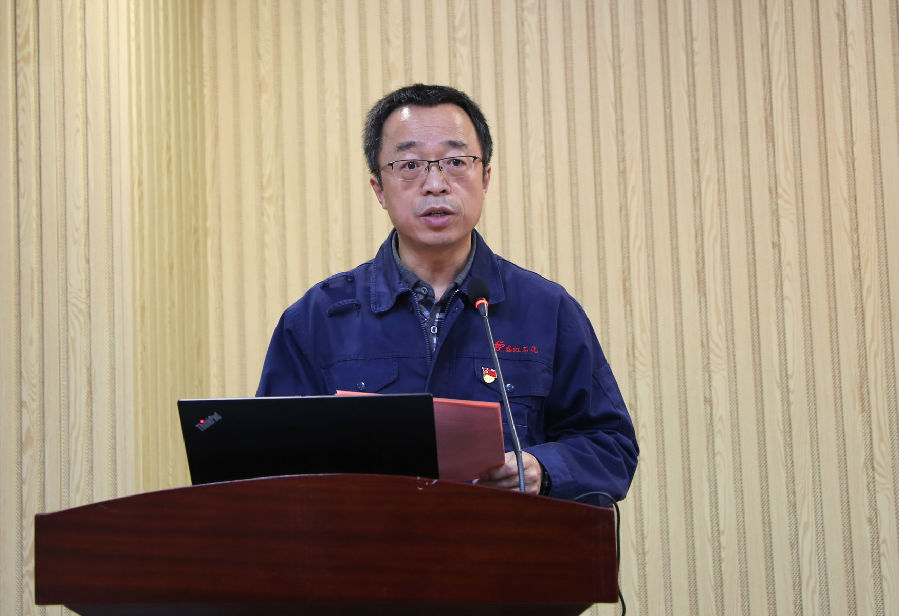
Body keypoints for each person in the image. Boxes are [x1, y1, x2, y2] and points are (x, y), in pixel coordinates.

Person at [257, 84, 638, 501]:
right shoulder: (318, 318)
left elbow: (611, 447)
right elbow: (268, 463)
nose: (436, 184)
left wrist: (542, 468)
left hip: (505, 541)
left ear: (485, 177)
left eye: (456, 162)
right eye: (410, 165)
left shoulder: (547, 309)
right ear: (379, 189)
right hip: (367, 540)